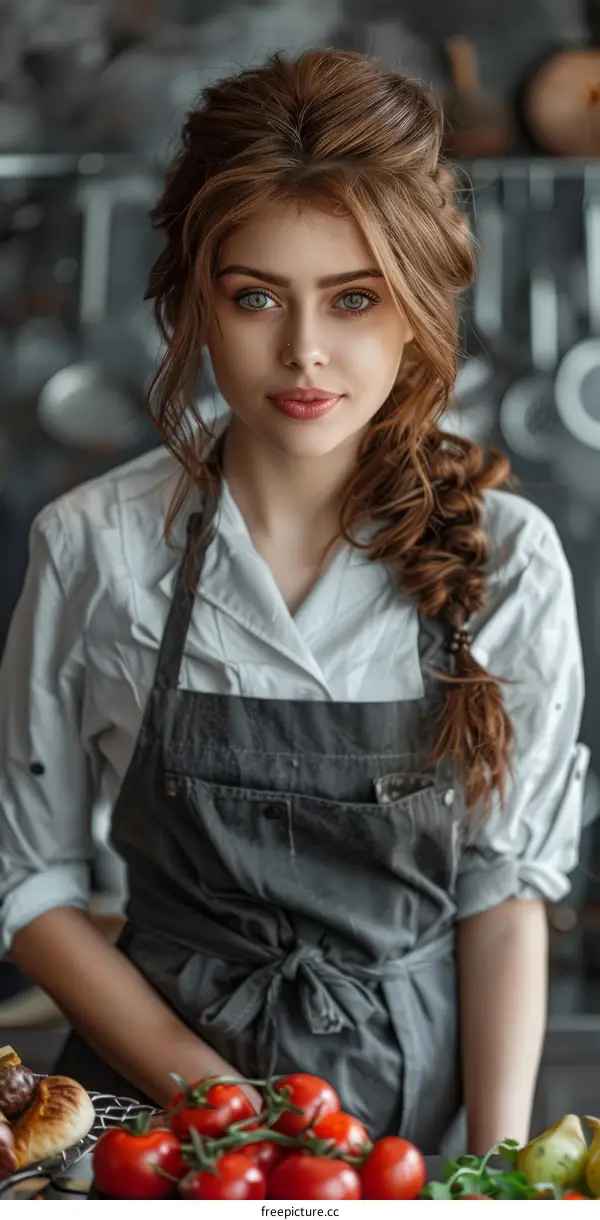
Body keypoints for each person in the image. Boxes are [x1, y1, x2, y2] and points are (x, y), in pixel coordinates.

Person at [0, 49, 588, 1156]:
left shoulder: (509, 554)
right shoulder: (93, 545)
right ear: (195, 305)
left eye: (355, 298)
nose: (305, 351)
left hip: (410, 1125)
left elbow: (502, 892)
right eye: (257, 296)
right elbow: (28, 885)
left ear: (419, 305)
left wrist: (501, 1172)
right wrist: (244, 1113)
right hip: (155, 1121)